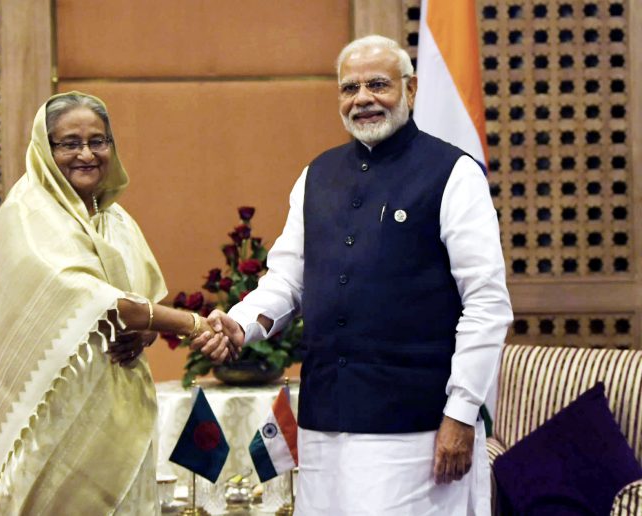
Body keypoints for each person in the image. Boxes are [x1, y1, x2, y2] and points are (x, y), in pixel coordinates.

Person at [192, 35, 513, 514]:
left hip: (416, 428)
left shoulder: (453, 173)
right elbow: (287, 279)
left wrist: (462, 413)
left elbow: (487, 303)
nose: (362, 98)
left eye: (378, 85)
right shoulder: (316, 175)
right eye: (349, 88)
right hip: (323, 424)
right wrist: (242, 323)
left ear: (410, 89)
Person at [0, 91, 217, 515]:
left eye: (98, 141)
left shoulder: (115, 220)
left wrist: (145, 334)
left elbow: (142, 307)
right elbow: (98, 300)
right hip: (50, 425)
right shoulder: (27, 215)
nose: (87, 154)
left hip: (116, 419)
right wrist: (194, 325)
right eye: (70, 143)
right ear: (45, 149)